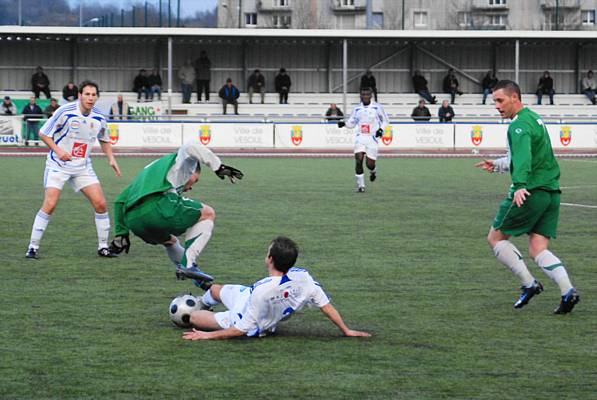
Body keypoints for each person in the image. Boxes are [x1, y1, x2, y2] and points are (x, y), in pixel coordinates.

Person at [474, 80, 579, 314]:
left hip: (530, 191)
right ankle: (567, 291)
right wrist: (499, 165)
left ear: (515, 98)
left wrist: (520, 185)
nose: (497, 106)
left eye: (500, 101)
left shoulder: (518, 125)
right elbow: (527, 157)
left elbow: (522, 160)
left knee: (496, 237)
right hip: (551, 192)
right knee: (538, 247)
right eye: (494, 102)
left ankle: (529, 284)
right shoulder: (534, 119)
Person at [179, 236, 371, 340]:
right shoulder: (303, 277)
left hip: (247, 320)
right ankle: (202, 301)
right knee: (214, 290)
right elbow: (326, 306)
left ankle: (197, 311)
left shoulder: (263, 291)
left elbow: (240, 330)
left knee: (194, 317)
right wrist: (346, 330)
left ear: (270, 259)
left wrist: (207, 336)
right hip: (248, 296)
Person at [108, 139, 243, 283]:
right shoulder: (185, 163)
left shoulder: (149, 173)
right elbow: (190, 145)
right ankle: (189, 264)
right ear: (192, 170)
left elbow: (120, 200)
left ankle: (202, 284)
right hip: (157, 208)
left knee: (171, 242)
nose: (191, 187)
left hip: (134, 221)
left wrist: (121, 234)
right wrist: (217, 165)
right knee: (208, 213)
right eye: (195, 181)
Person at [25, 81, 122, 260]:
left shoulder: (99, 117)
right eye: (87, 94)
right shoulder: (65, 111)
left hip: (82, 167)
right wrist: (59, 151)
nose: (90, 98)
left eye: (94, 95)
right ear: (79, 95)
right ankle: (32, 247)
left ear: (97, 97)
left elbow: (104, 138)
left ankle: (103, 247)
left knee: (101, 204)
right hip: (58, 166)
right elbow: (44, 133)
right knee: (50, 205)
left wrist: (111, 158)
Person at [338, 87, 389, 193]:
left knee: (369, 164)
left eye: (367, 94)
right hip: (360, 137)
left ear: (371, 95)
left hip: (372, 138)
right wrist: (344, 124)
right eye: (363, 94)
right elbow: (352, 123)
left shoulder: (377, 107)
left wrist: (380, 130)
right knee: (358, 160)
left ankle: (373, 171)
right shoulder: (357, 109)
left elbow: (385, 121)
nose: (365, 96)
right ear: (360, 96)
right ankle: (361, 186)